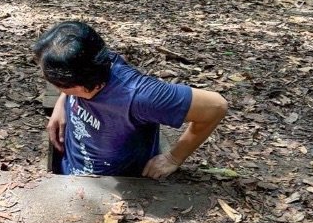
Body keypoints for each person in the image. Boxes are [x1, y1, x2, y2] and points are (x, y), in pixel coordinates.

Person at [33, 21, 227, 179]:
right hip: (73, 166)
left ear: (78, 84)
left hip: (114, 184)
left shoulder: (138, 96)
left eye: (56, 83)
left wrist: (174, 158)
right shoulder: (91, 62)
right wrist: (61, 104)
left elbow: (216, 106)